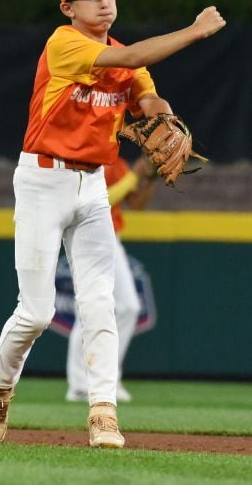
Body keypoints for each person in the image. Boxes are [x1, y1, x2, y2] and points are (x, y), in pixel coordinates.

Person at [0, 0, 225, 449]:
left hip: (92, 187)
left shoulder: (124, 56)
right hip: (43, 182)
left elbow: (146, 98)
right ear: (68, 6)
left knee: (101, 305)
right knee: (37, 313)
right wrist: (195, 32)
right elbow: (131, 60)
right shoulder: (64, 44)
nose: (105, 0)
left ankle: (103, 413)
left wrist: (164, 117)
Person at [66, 155, 156, 403]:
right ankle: (81, 384)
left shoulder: (116, 163)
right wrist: (134, 177)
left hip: (110, 238)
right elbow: (99, 201)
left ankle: (105, 379)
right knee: (88, 307)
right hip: (86, 236)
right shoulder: (80, 157)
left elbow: (136, 205)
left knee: (128, 307)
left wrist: (150, 178)